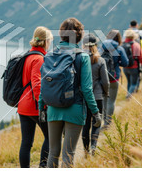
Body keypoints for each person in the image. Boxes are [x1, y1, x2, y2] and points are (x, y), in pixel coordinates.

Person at [38, 18, 102, 168]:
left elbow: (44, 84)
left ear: (61, 34)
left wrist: (41, 107)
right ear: (79, 35)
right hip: (75, 109)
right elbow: (87, 89)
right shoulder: (82, 56)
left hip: (53, 108)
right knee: (68, 155)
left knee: (53, 152)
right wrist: (95, 113)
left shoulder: (49, 55)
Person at [17, 27, 52, 168]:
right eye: (50, 41)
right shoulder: (38, 59)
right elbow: (37, 85)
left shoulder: (28, 55)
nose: (50, 44)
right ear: (45, 42)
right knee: (51, 138)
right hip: (34, 106)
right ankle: (43, 167)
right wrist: (43, 105)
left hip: (23, 106)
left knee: (26, 142)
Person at [81, 33, 109, 156]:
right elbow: (105, 81)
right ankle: (93, 147)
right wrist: (106, 92)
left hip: (84, 97)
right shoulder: (100, 60)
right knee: (97, 122)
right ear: (96, 45)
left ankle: (86, 151)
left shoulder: (80, 60)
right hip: (97, 96)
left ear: (83, 45)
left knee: (85, 125)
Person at [101, 30, 128, 127]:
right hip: (114, 77)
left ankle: (103, 120)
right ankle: (108, 123)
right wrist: (117, 64)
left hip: (102, 77)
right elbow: (125, 63)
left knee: (104, 100)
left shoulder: (102, 48)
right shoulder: (119, 49)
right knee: (111, 101)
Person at [123, 30, 142, 99]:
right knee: (134, 83)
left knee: (129, 82)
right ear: (133, 36)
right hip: (134, 67)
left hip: (125, 67)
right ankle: (129, 95)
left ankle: (128, 93)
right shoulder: (136, 45)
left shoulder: (123, 45)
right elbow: (141, 58)